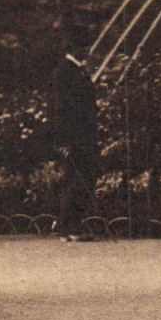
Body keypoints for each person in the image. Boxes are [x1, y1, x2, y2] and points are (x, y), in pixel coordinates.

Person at [50, 53, 99, 240]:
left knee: (81, 179)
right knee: (76, 180)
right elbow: (60, 109)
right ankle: (68, 228)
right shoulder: (64, 72)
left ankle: (73, 226)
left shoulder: (77, 71)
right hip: (76, 138)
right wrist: (64, 140)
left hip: (84, 137)